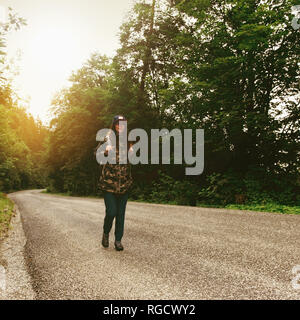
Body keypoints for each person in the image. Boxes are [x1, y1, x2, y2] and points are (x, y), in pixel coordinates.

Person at [95, 115, 133, 251]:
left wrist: (132, 153)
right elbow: (97, 154)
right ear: (114, 125)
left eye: (122, 123)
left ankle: (118, 240)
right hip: (109, 184)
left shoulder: (128, 140)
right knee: (111, 212)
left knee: (121, 214)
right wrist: (105, 151)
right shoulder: (108, 137)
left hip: (124, 184)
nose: (120, 126)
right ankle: (106, 233)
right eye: (118, 123)